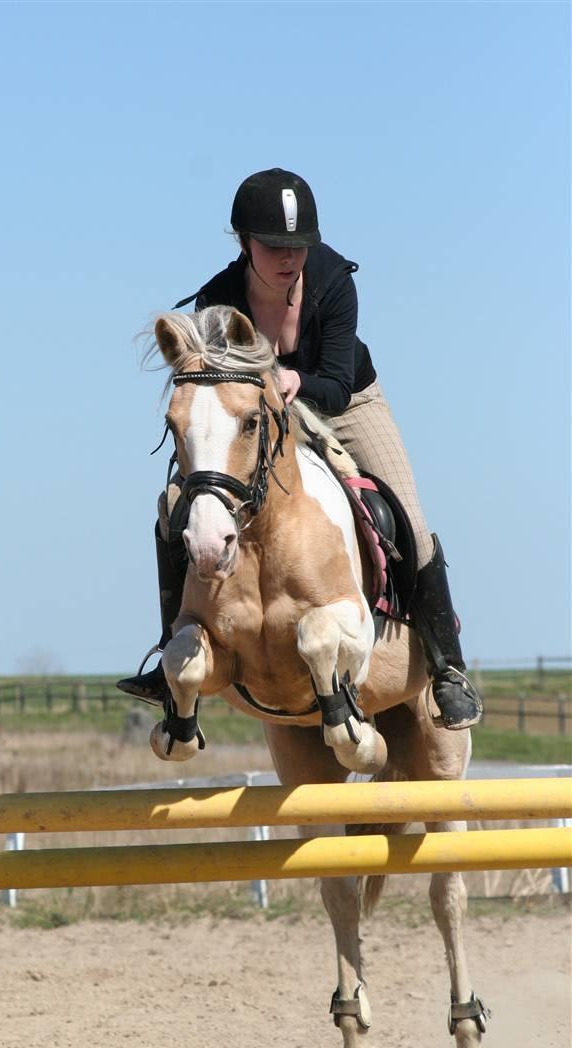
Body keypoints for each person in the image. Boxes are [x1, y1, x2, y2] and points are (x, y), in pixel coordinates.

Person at [118, 168, 482, 730]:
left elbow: (336, 384)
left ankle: (447, 668)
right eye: (274, 246)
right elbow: (214, 393)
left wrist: (295, 384)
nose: (290, 257)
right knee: (175, 509)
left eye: (298, 246)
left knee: (407, 509)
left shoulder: (335, 280)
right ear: (244, 243)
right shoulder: (218, 299)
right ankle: (172, 655)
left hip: (347, 401)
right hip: (256, 416)